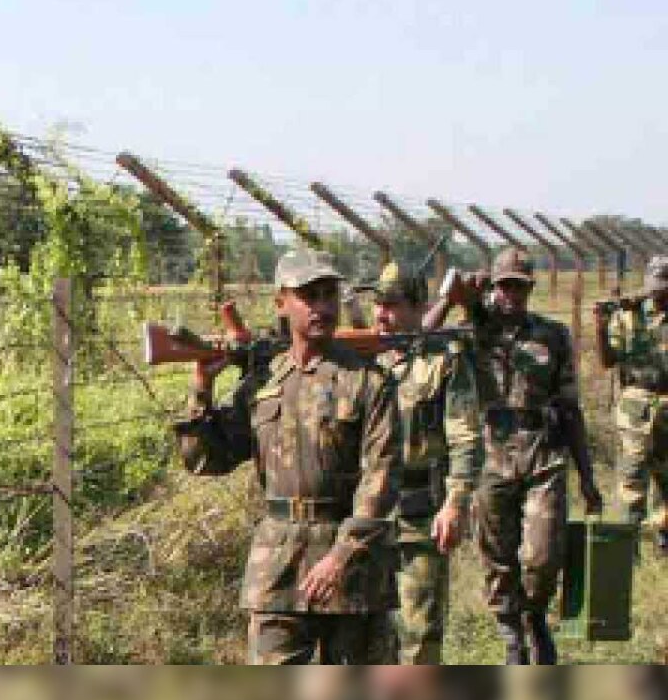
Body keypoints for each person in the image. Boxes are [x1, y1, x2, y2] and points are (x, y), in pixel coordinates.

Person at [173, 248, 402, 664]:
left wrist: (341, 556)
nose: (322, 307)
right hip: (277, 562)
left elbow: (382, 478)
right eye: (309, 296)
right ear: (281, 303)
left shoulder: (367, 382)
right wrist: (201, 389)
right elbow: (206, 459)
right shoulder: (264, 381)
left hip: (351, 566)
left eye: (329, 295)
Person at [428, 247, 602, 664]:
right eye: (503, 287)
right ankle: (511, 633)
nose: (511, 296)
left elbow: (570, 407)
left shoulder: (553, 335)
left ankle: (535, 616)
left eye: (519, 288)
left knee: (543, 556)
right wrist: (452, 295)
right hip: (490, 454)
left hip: (543, 454)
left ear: (529, 290)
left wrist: (588, 477)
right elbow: (423, 338)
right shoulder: (473, 327)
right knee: (497, 555)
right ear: (493, 288)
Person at [370, 262, 483, 664]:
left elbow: (465, 436)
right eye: (377, 304)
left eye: (392, 305)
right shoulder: (365, 360)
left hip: (419, 513)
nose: (381, 315)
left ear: (419, 307)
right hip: (367, 516)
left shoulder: (445, 361)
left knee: (419, 634)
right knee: (368, 632)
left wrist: (456, 502)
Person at [595, 254, 668, 555]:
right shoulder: (628, 315)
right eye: (655, 286)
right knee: (631, 476)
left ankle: (663, 538)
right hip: (636, 404)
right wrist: (601, 326)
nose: (659, 293)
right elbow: (607, 360)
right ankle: (628, 548)